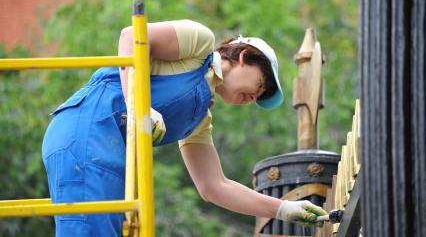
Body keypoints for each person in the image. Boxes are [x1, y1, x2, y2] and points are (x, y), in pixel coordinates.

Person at [42, 20, 327, 236]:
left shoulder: (199, 117)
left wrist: (283, 208)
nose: (254, 98)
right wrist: (136, 104)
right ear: (244, 57)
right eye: (260, 86)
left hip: (110, 151)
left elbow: (214, 186)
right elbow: (132, 36)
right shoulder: (200, 44)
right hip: (87, 129)